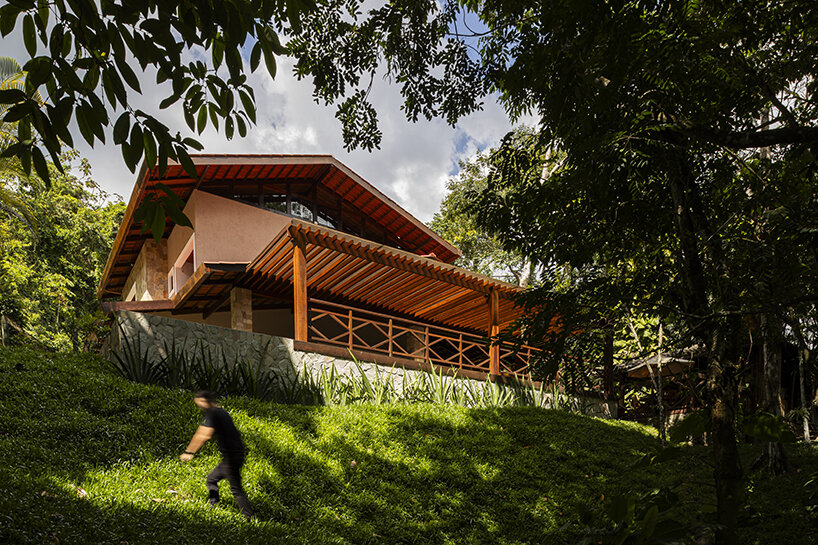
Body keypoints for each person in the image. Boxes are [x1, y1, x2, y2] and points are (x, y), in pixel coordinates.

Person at [180, 390, 253, 519]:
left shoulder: (212, 413)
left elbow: (203, 435)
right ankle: (213, 505)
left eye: (199, 403)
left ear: (204, 401)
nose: (199, 407)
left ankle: (248, 516)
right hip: (235, 455)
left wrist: (189, 452)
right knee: (211, 479)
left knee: (236, 489)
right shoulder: (221, 411)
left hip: (231, 457)